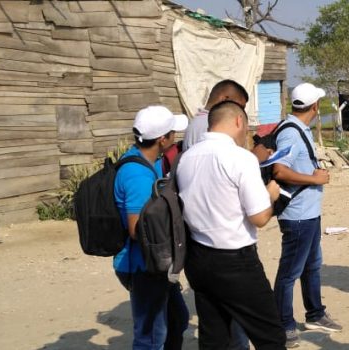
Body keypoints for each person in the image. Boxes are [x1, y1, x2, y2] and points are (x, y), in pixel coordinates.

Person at [178, 101, 285, 349]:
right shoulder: (241, 158)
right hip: (235, 261)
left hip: (198, 257)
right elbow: (259, 218)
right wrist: (270, 195)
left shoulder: (186, 158)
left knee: (214, 336)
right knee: (270, 336)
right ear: (238, 121)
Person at [271, 83, 342, 347]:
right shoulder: (291, 133)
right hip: (298, 215)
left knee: (312, 266)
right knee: (289, 272)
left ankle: (315, 313)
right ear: (314, 107)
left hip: (309, 213)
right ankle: (284, 325)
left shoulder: (299, 129)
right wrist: (314, 179)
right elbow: (279, 170)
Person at [113, 105, 189, 349]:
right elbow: (137, 230)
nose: (175, 137)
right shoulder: (136, 174)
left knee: (177, 320)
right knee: (151, 337)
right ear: (162, 139)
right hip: (142, 265)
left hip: (154, 264)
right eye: (172, 133)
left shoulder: (149, 162)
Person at [182, 79, 250, 151]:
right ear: (224, 99)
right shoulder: (213, 124)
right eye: (239, 106)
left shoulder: (198, 121)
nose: (241, 111)